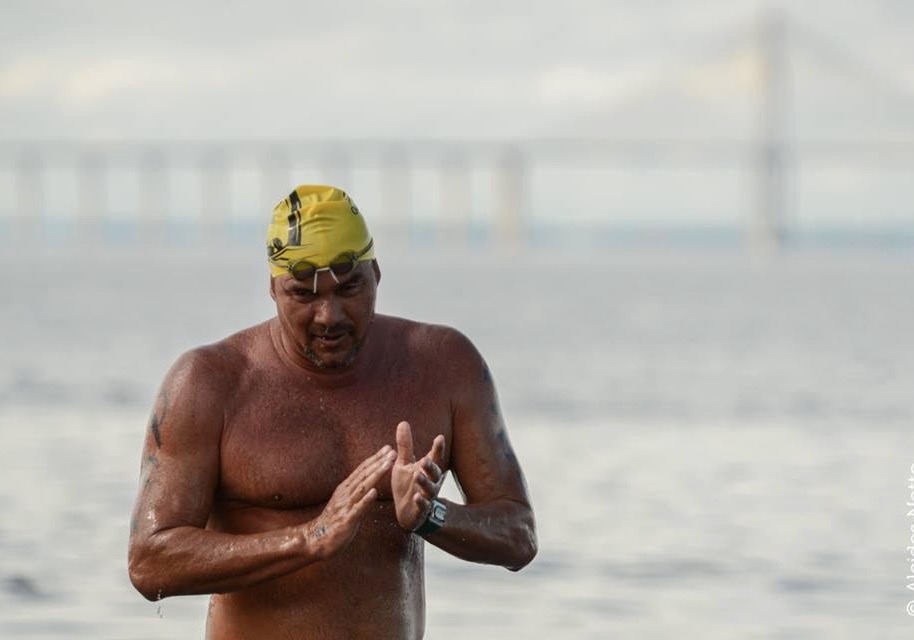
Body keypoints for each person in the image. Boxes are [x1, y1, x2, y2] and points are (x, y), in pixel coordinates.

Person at [128, 185, 537, 639]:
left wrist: (431, 517)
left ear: (377, 274)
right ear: (272, 288)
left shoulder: (443, 366)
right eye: (303, 293)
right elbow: (151, 562)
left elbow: (518, 534)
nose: (329, 315)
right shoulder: (208, 384)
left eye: (350, 288)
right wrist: (308, 539)